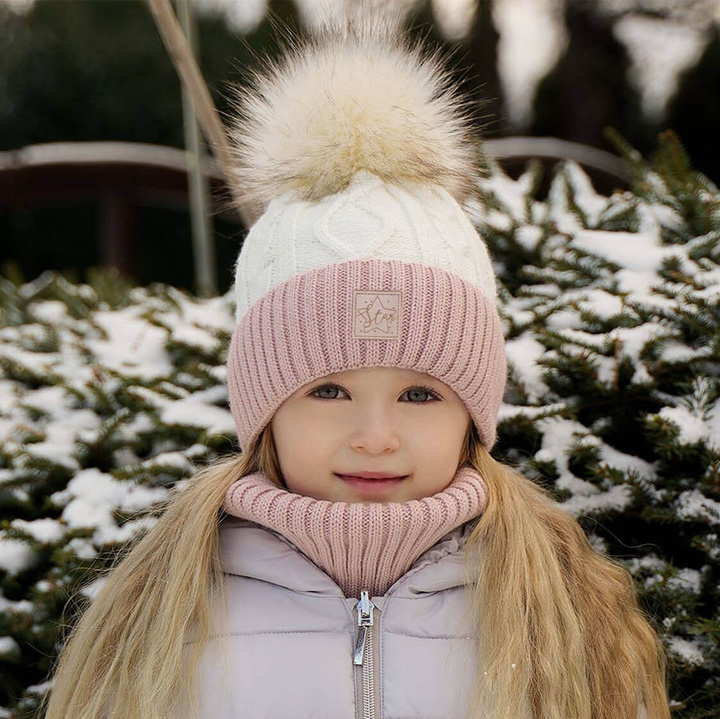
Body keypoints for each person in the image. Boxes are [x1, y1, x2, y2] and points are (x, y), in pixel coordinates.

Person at [43, 13, 671, 719]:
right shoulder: (160, 611)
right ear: (263, 407)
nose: (375, 434)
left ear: (475, 410)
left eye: (421, 393)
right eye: (329, 388)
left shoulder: (562, 607)